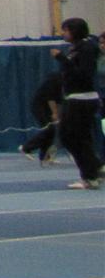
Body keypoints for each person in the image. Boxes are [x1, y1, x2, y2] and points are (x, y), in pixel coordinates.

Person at [51, 17, 100, 191]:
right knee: (80, 138)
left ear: (75, 30)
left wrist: (62, 59)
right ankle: (95, 168)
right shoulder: (77, 48)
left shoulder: (86, 48)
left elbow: (83, 74)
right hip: (75, 98)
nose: (63, 33)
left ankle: (90, 175)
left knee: (71, 137)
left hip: (82, 99)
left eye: (65, 30)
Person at [18, 72, 61, 165]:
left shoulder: (65, 82)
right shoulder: (55, 79)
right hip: (39, 106)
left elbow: (59, 100)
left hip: (47, 107)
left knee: (51, 131)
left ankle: (45, 157)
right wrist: (55, 113)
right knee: (49, 129)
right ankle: (26, 147)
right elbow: (51, 98)